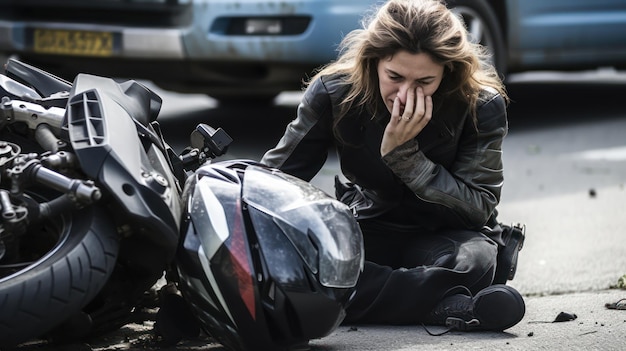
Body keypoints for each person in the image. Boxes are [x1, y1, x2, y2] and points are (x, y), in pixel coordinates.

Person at [260, 0, 525, 332]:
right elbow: (274, 180)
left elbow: (478, 207)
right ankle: (446, 306)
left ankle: (336, 300)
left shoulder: (480, 105)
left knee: (477, 263)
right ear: (374, 63)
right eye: (395, 77)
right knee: (303, 258)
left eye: (424, 82)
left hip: (447, 234)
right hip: (370, 224)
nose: (404, 94)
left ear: (447, 71)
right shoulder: (334, 92)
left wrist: (406, 159)